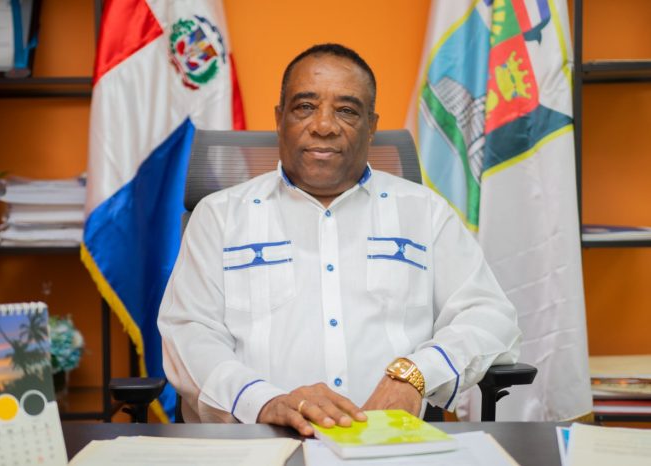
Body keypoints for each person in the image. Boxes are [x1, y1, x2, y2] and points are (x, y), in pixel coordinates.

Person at [158, 43, 521, 435]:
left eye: (346, 110)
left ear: (372, 126)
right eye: (305, 107)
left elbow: (489, 316)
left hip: (389, 444)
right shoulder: (219, 216)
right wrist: (263, 401)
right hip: (258, 441)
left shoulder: (425, 212)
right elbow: (188, 332)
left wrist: (415, 374)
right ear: (280, 119)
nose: (324, 126)